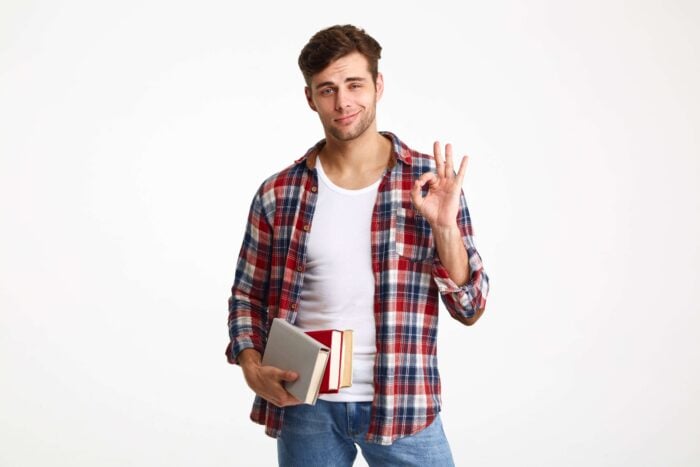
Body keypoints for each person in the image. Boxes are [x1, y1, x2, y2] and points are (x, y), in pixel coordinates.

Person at [226, 24, 489, 466]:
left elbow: (471, 308)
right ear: (310, 98)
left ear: (378, 85)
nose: (343, 102)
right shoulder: (279, 193)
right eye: (327, 89)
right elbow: (246, 297)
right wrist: (252, 369)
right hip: (305, 406)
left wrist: (445, 228)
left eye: (354, 84)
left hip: (403, 405)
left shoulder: (427, 183)